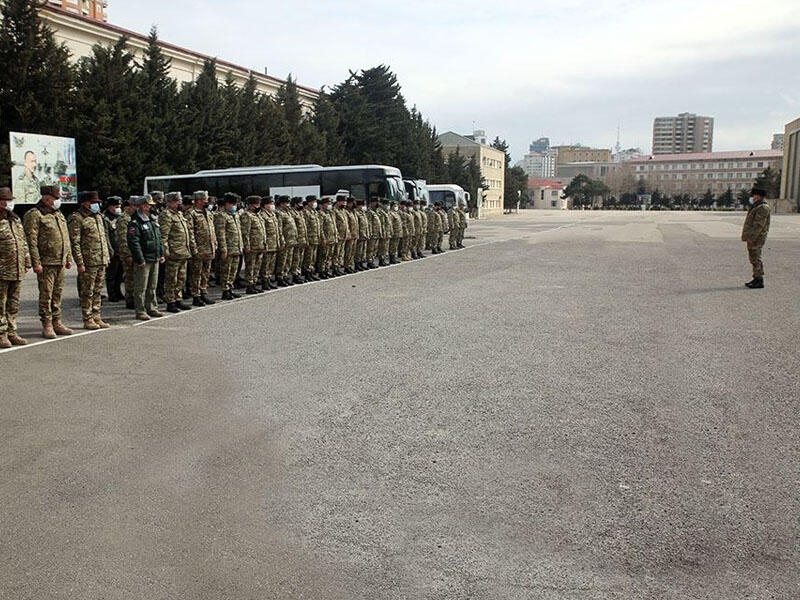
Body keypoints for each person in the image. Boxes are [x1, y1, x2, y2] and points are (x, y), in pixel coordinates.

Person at [23, 184, 74, 338]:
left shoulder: (57, 214)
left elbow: (66, 237)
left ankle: (57, 322)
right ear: (46, 199)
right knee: (46, 295)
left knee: (57, 294)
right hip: (46, 262)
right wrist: (36, 262)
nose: (58, 201)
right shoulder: (35, 215)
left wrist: (68, 257)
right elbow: (31, 241)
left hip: (59, 261)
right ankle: (47, 324)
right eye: (55, 198)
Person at [68, 190, 112, 329]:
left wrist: (106, 255)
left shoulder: (98, 216)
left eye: (97, 203)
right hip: (88, 261)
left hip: (100, 259)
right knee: (87, 291)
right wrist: (80, 262)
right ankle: (87, 318)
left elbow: (103, 237)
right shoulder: (77, 218)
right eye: (93, 203)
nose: (96, 205)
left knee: (98, 290)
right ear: (85, 203)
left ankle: (96, 316)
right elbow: (75, 242)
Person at [0, 187, 31, 347]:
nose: (10, 203)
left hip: (17, 268)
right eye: (7, 200)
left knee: (13, 303)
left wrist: (26, 261)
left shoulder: (15, 220)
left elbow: (23, 242)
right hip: (2, 271)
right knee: (1, 304)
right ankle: (1, 334)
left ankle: (12, 332)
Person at [127, 194, 165, 320]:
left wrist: (161, 254)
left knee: (152, 285)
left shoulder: (153, 219)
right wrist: (139, 258)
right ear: (142, 206)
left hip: (154, 257)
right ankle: (140, 310)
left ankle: (152, 307)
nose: (150, 207)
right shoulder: (135, 222)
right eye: (148, 205)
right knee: (141, 287)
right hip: (144, 259)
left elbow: (158, 238)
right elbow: (134, 242)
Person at [159, 191, 196, 312]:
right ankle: (171, 301)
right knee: (171, 279)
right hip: (174, 253)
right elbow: (164, 236)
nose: (180, 203)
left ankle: (178, 299)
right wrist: (166, 253)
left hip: (183, 252)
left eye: (180, 200)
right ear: (170, 202)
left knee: (181, 278)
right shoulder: (166, 215)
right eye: (177, 201)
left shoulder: (179, 214)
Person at [186, 190, 217, 306]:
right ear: (199, 200)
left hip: (209, 248)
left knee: (206, 273)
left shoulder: (207, 213)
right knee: (196, 274)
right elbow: (190, 232)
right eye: (205, 199)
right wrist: (194, 249)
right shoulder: (191, 213)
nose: (207, 201)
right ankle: (196, 295)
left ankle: (203, 292)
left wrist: (215, 243)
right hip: (199, 249)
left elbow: (212, 229)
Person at [214, 192, 244, 300]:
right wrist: (223, 249)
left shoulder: (235, 216)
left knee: (233, 271)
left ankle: (230, 288)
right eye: (232, 204)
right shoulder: (221, 216)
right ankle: (225, 290)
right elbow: (220, 234)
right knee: (226, 270)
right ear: (227, 204)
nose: (234, 206)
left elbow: (238, 232)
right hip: (228, 248)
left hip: (236, 248)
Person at [741, 186, 771, 289]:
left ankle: (759, 280)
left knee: (756, 257)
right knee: (753, 257)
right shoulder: (757, 206)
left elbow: (759, 225)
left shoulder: (762, 207)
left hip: (757, 237)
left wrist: (752, 237)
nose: (752, 197)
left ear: (758, 196)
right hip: (753, 237)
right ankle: (756, 278)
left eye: (754, 195)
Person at [239, 195, 266, 294]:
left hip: (259, 246)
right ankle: (249, 285)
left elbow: (262, 231)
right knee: (250, 267)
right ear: (251, 205)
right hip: (252, 246)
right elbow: (245, 232)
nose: (258, 206)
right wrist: (247, 246)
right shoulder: (247, 215)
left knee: (256, 267)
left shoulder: (258, 215)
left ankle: (254, 283)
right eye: (256, 204)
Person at [102, 196, 124, 302]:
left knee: (120, 274)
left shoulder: (119, 217)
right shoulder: (105, 218)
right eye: (116, 206)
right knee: (111, 274)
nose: (118, 208)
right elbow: (106, 236)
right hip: (113, 250)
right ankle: (111, 294)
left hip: (121, 250)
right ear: (110, 206)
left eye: (119, 206)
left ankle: (118, 291)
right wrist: (110, 250)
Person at [116, 198, 136, 309]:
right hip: (127, 253)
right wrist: (127, 254)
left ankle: (134, 297)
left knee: (135, 276)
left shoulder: (133, 218)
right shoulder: (124, 219)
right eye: (134, 206)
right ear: (128, 206)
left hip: (135, 252)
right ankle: (130, 299)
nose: (136, 208)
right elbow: (123, 239)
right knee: (129, 277)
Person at [259, 196, 282, 290]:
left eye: (273, 203)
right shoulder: (262, 215)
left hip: (274, 244)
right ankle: (264, 281)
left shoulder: (272, 215)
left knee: (271, 265)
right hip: (267, 244)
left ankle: (268, 280)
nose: (272, 205)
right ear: (265, 205)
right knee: (265, 264)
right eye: (270, 204)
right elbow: (262, 232)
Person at [275, 196, 297, 286]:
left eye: (288, 203)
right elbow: (279, 228)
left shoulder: (288, 212)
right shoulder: (279, 213)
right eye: (286, 203)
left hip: (291, 240)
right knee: (282, 260)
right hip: (285, 240)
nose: (288, 205)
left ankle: (285, 275)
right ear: (282, 204)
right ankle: (280, 277)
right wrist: (281, 240)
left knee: (288, 260)